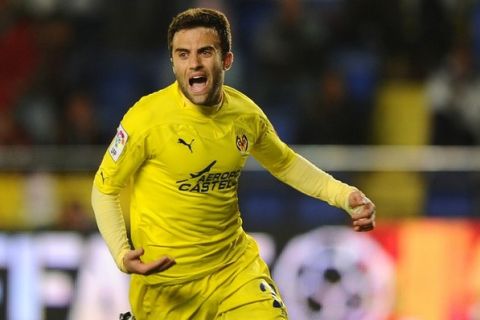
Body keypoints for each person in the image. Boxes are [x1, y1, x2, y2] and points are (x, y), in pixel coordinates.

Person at [91, 8, 376, 320]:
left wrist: (343, 195)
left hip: (234, 271)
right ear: (173, 63)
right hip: (168, 287)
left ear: (226, 60)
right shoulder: (146, 119)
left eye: (205, 52)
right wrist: (121, 253)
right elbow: (104, 189)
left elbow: (284, 163)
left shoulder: (245, 116)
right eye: (183, 54)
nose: (194, 63)